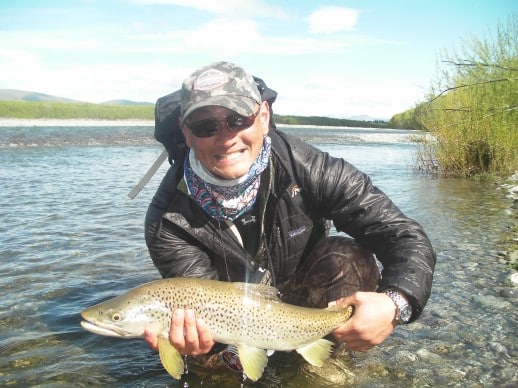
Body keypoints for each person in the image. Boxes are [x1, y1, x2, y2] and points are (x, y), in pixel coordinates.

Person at [143, 61, 436, 370]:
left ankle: (329, 366)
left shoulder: (311, 169)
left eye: (238, 119)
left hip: (308, 304)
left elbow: (404, 236)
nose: (226, 137)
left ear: (264, 117)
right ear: (186, 133)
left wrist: (395, 303)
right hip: (231, 324)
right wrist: (199, 341)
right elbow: (197, 297)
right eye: (206, 126)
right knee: (203, 358)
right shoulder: (168, 220)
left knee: (347, 255)